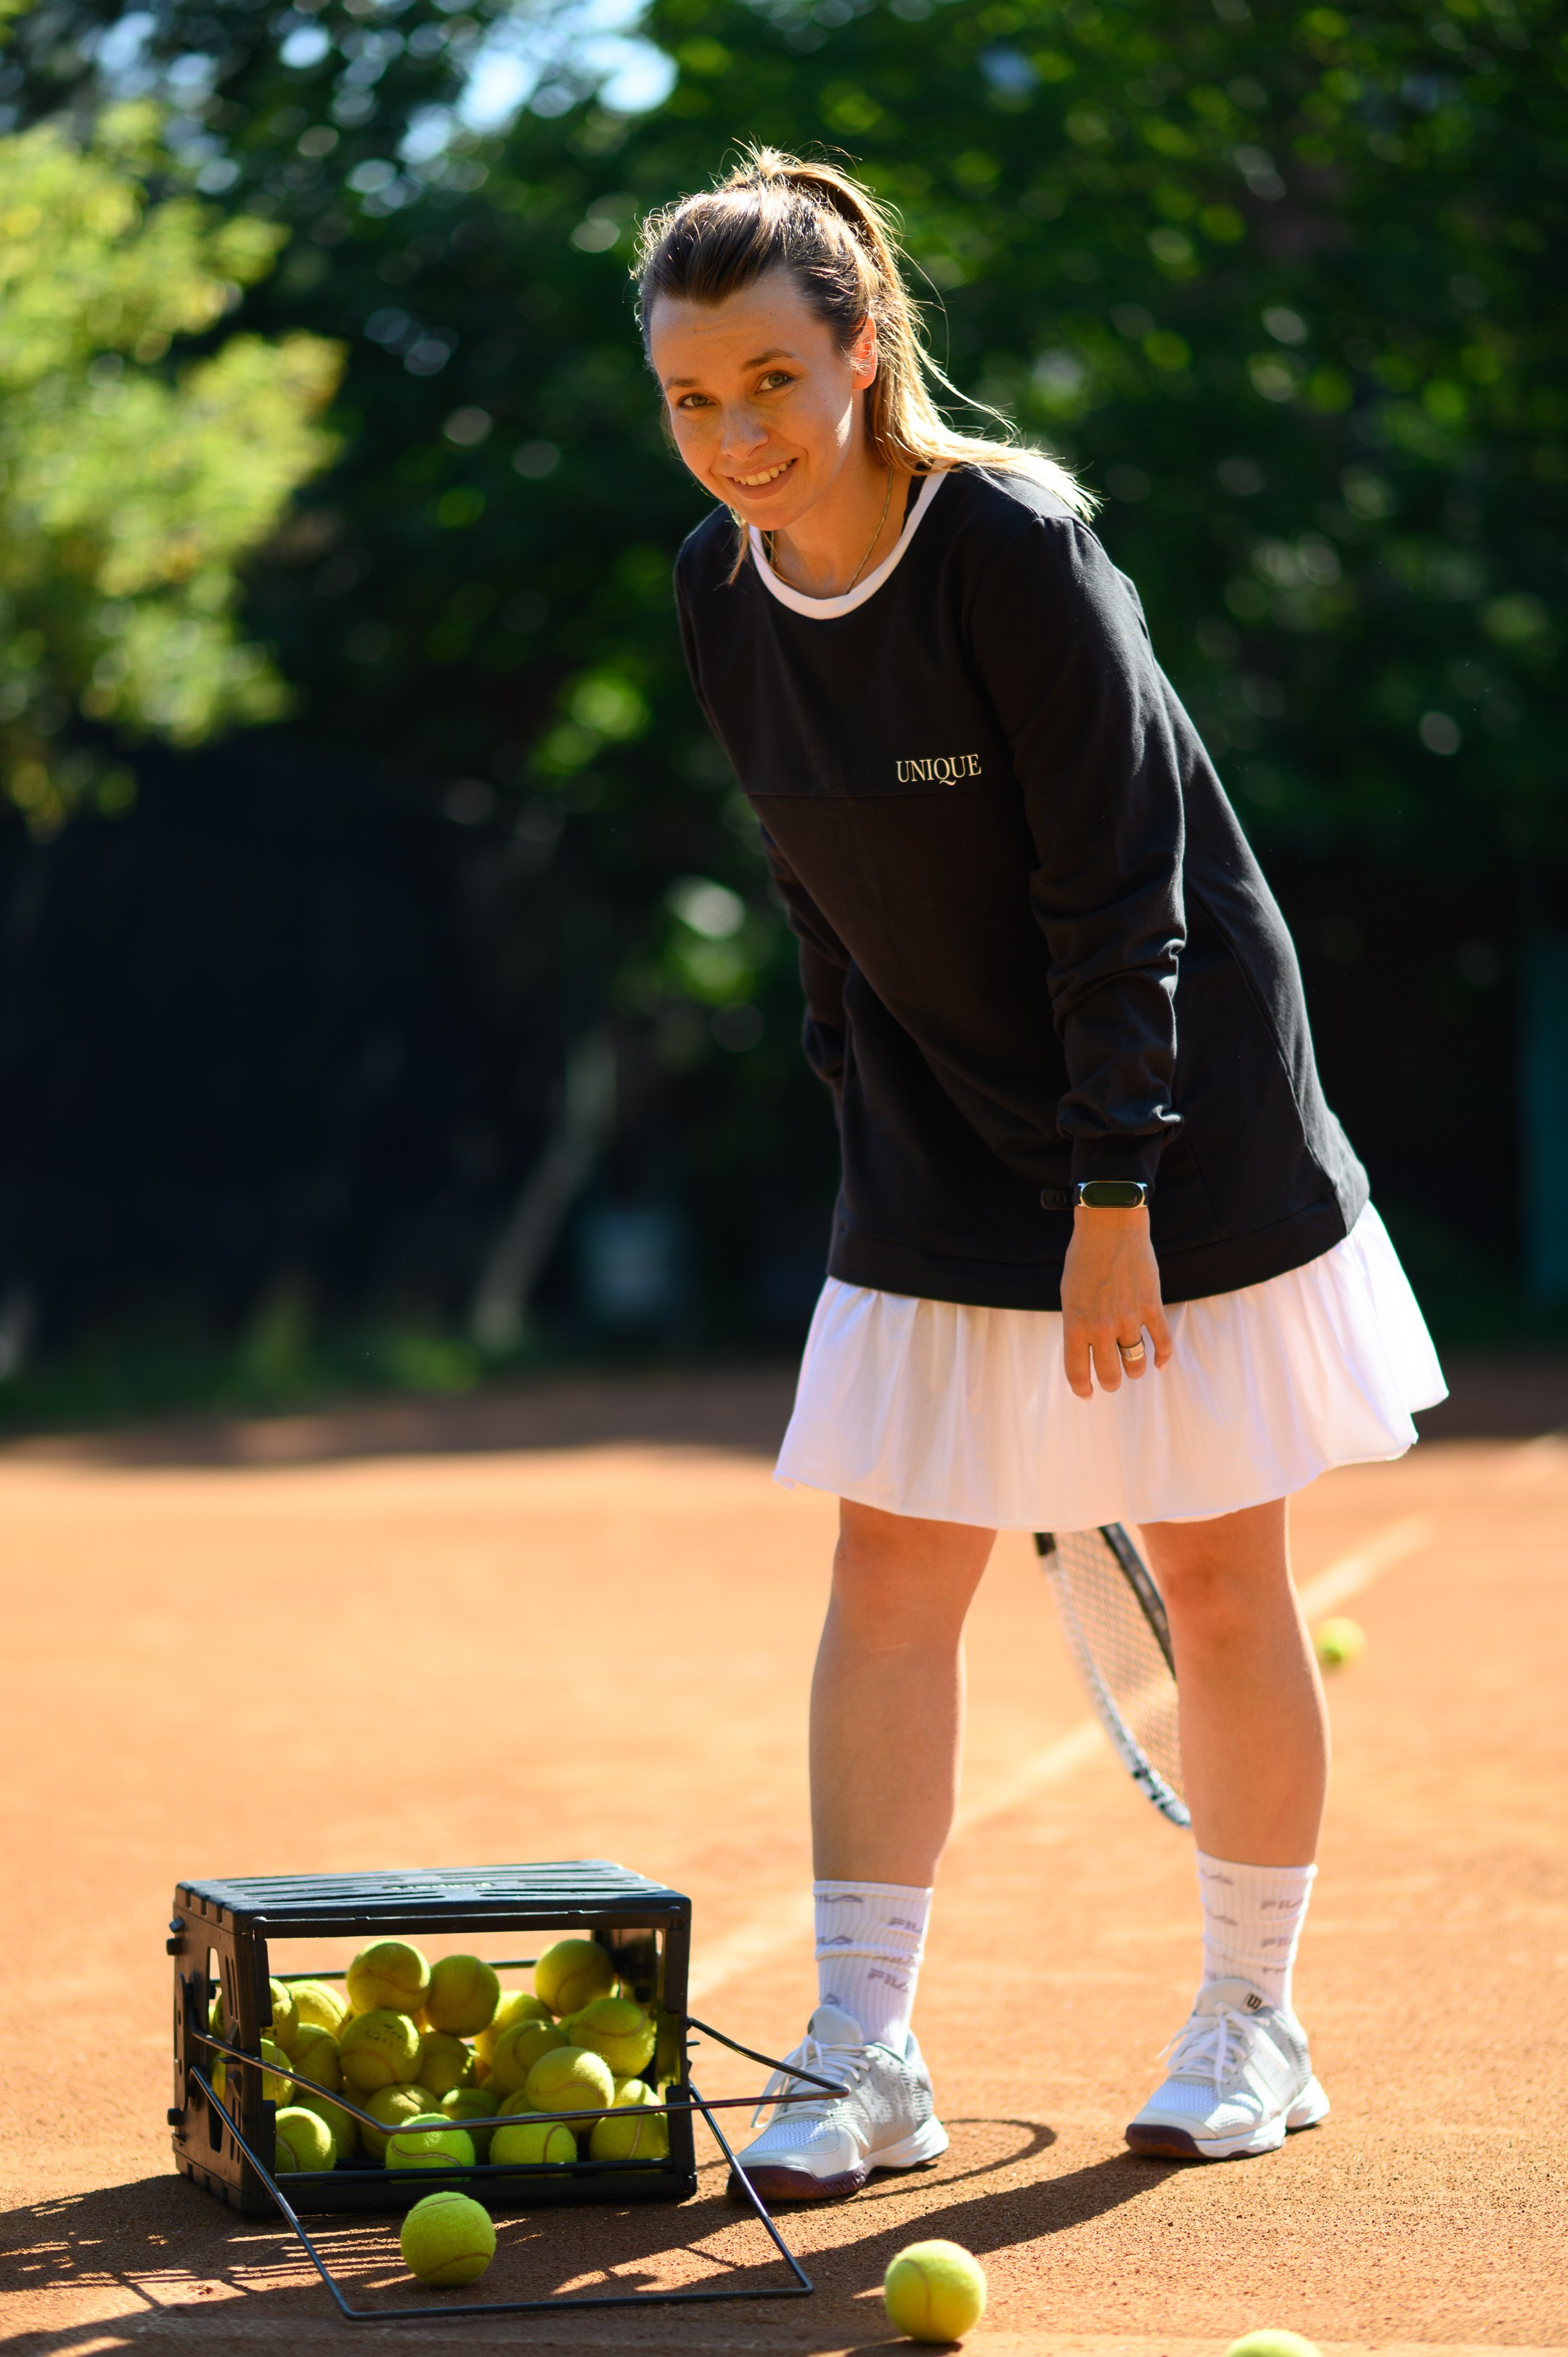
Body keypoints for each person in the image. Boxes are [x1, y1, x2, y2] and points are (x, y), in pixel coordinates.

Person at [635, 148, 1445, 2197]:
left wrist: (1112, 1198)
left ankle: (1254, 2020)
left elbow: (1120, 883)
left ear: (863, 349)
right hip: (933, 1124)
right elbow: (817, 881)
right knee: (889, 1571)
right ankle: (866, 2052)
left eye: (771, 380)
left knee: (1218, 1570)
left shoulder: (1014, 543)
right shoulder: (719, 586)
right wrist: (865, 1114)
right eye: (692, 397)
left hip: (1176, 1115)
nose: (736, 435)